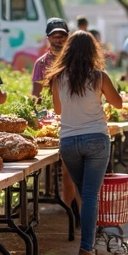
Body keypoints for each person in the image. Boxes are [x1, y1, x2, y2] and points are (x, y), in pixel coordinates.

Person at [46, 31, 124, 255]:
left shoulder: (58, 78)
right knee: (90, 195)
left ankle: (90, 241)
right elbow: (118, 103)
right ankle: (87, 248)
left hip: (69, 141)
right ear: (93, 52)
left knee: (85, 194)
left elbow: (58, 111)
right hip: (96, 140)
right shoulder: (99, 77)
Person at [32, 18, 78, 213]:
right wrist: (36, 117)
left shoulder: (76, 61)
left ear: (68, 38)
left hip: (74, 117)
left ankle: (69, 209)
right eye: (54, 37)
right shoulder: (41, 64)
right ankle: (62, 204)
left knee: (69, 169)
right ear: (48, 39)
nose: (58, 40)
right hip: (50, 121)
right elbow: (36, 95)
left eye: (62, 37)